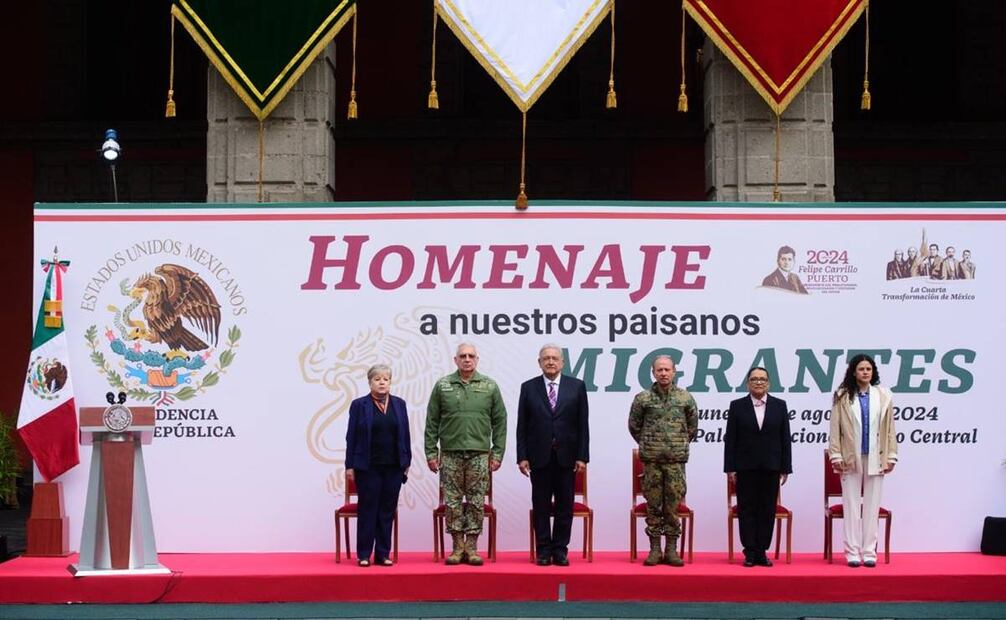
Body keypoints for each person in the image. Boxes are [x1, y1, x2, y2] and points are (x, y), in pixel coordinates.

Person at [424, 343, 506, 566]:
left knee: (476, 501)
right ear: (455, 360)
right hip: (450, 454)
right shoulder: (443, 386)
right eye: (463, 356)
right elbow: (431, 421)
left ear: (477, 359)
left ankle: (472, 547)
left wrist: (497, 453)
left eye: (471, 356)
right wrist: (432, 453)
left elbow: (500, 421)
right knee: (452, 502)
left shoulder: (489, 386)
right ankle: (457, 547)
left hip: (480, 455)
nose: (467, 359)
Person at [516, 344, 590, 566]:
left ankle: (560, 550)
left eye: (554, 358)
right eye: (546, 358)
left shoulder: (576, 387)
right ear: (539, 362)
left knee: (564, 506)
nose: (550, 361)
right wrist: (522, 456)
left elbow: (582, 424)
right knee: (540, 506)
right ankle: (543, 550)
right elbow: (522, 425)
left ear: (562, 362)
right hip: (539, 458)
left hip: (567, 458)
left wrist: (582, 456)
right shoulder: (528, 388)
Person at [828, 354, 898, 568]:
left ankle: (869, 551)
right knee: (851, 505)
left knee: (872, 505)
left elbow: (890, 430)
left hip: (876, 456)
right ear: (854, 372)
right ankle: (851, 552)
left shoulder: (883, 395)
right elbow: (835, 429)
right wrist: (836, 455)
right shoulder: (842, 396)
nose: (865, 372)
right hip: (850, 457)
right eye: (861, 369)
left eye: (869, 369)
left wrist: (891, 455)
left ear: (873, 371)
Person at [628, 355, 698, 566]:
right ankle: (655, 549)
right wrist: (650, 443)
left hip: (676, 462)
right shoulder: (643, 398)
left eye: (667, 370)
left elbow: (692, 427)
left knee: (672, 506)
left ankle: (671, 550)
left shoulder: (685, 398)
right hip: (652, 462)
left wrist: (676, 444)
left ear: (674, 372)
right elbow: (634, 426)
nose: (664, 373)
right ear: (653, 373)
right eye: (659, 370)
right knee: (654, 505)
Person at [724, 367, 793, 567]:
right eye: (754, 379)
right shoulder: (737, 406)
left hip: (772, 466)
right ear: (748, 383)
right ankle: (749, 552)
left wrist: (785, 467)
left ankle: (762, 551)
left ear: (768, 383)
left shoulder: (780, 406)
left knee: (767, 509)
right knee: (747, 509)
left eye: (762, 379)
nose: (758, 382)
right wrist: (730, 468)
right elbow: (731, 439)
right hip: (745, 467)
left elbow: (785, 438)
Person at [344, 364, 412, 567]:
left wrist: (406, 461)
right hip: (368, 467)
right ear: (370, 382)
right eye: (377, 379)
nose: (382, 382)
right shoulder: (359, 405)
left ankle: (383, 554)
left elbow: (405, 434)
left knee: (387, 510)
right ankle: (364, 554)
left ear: (390, 382)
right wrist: (349, 465)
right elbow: (351, 437)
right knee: (368, 509)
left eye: (386, 379)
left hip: (394, 466)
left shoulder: (399, 404)